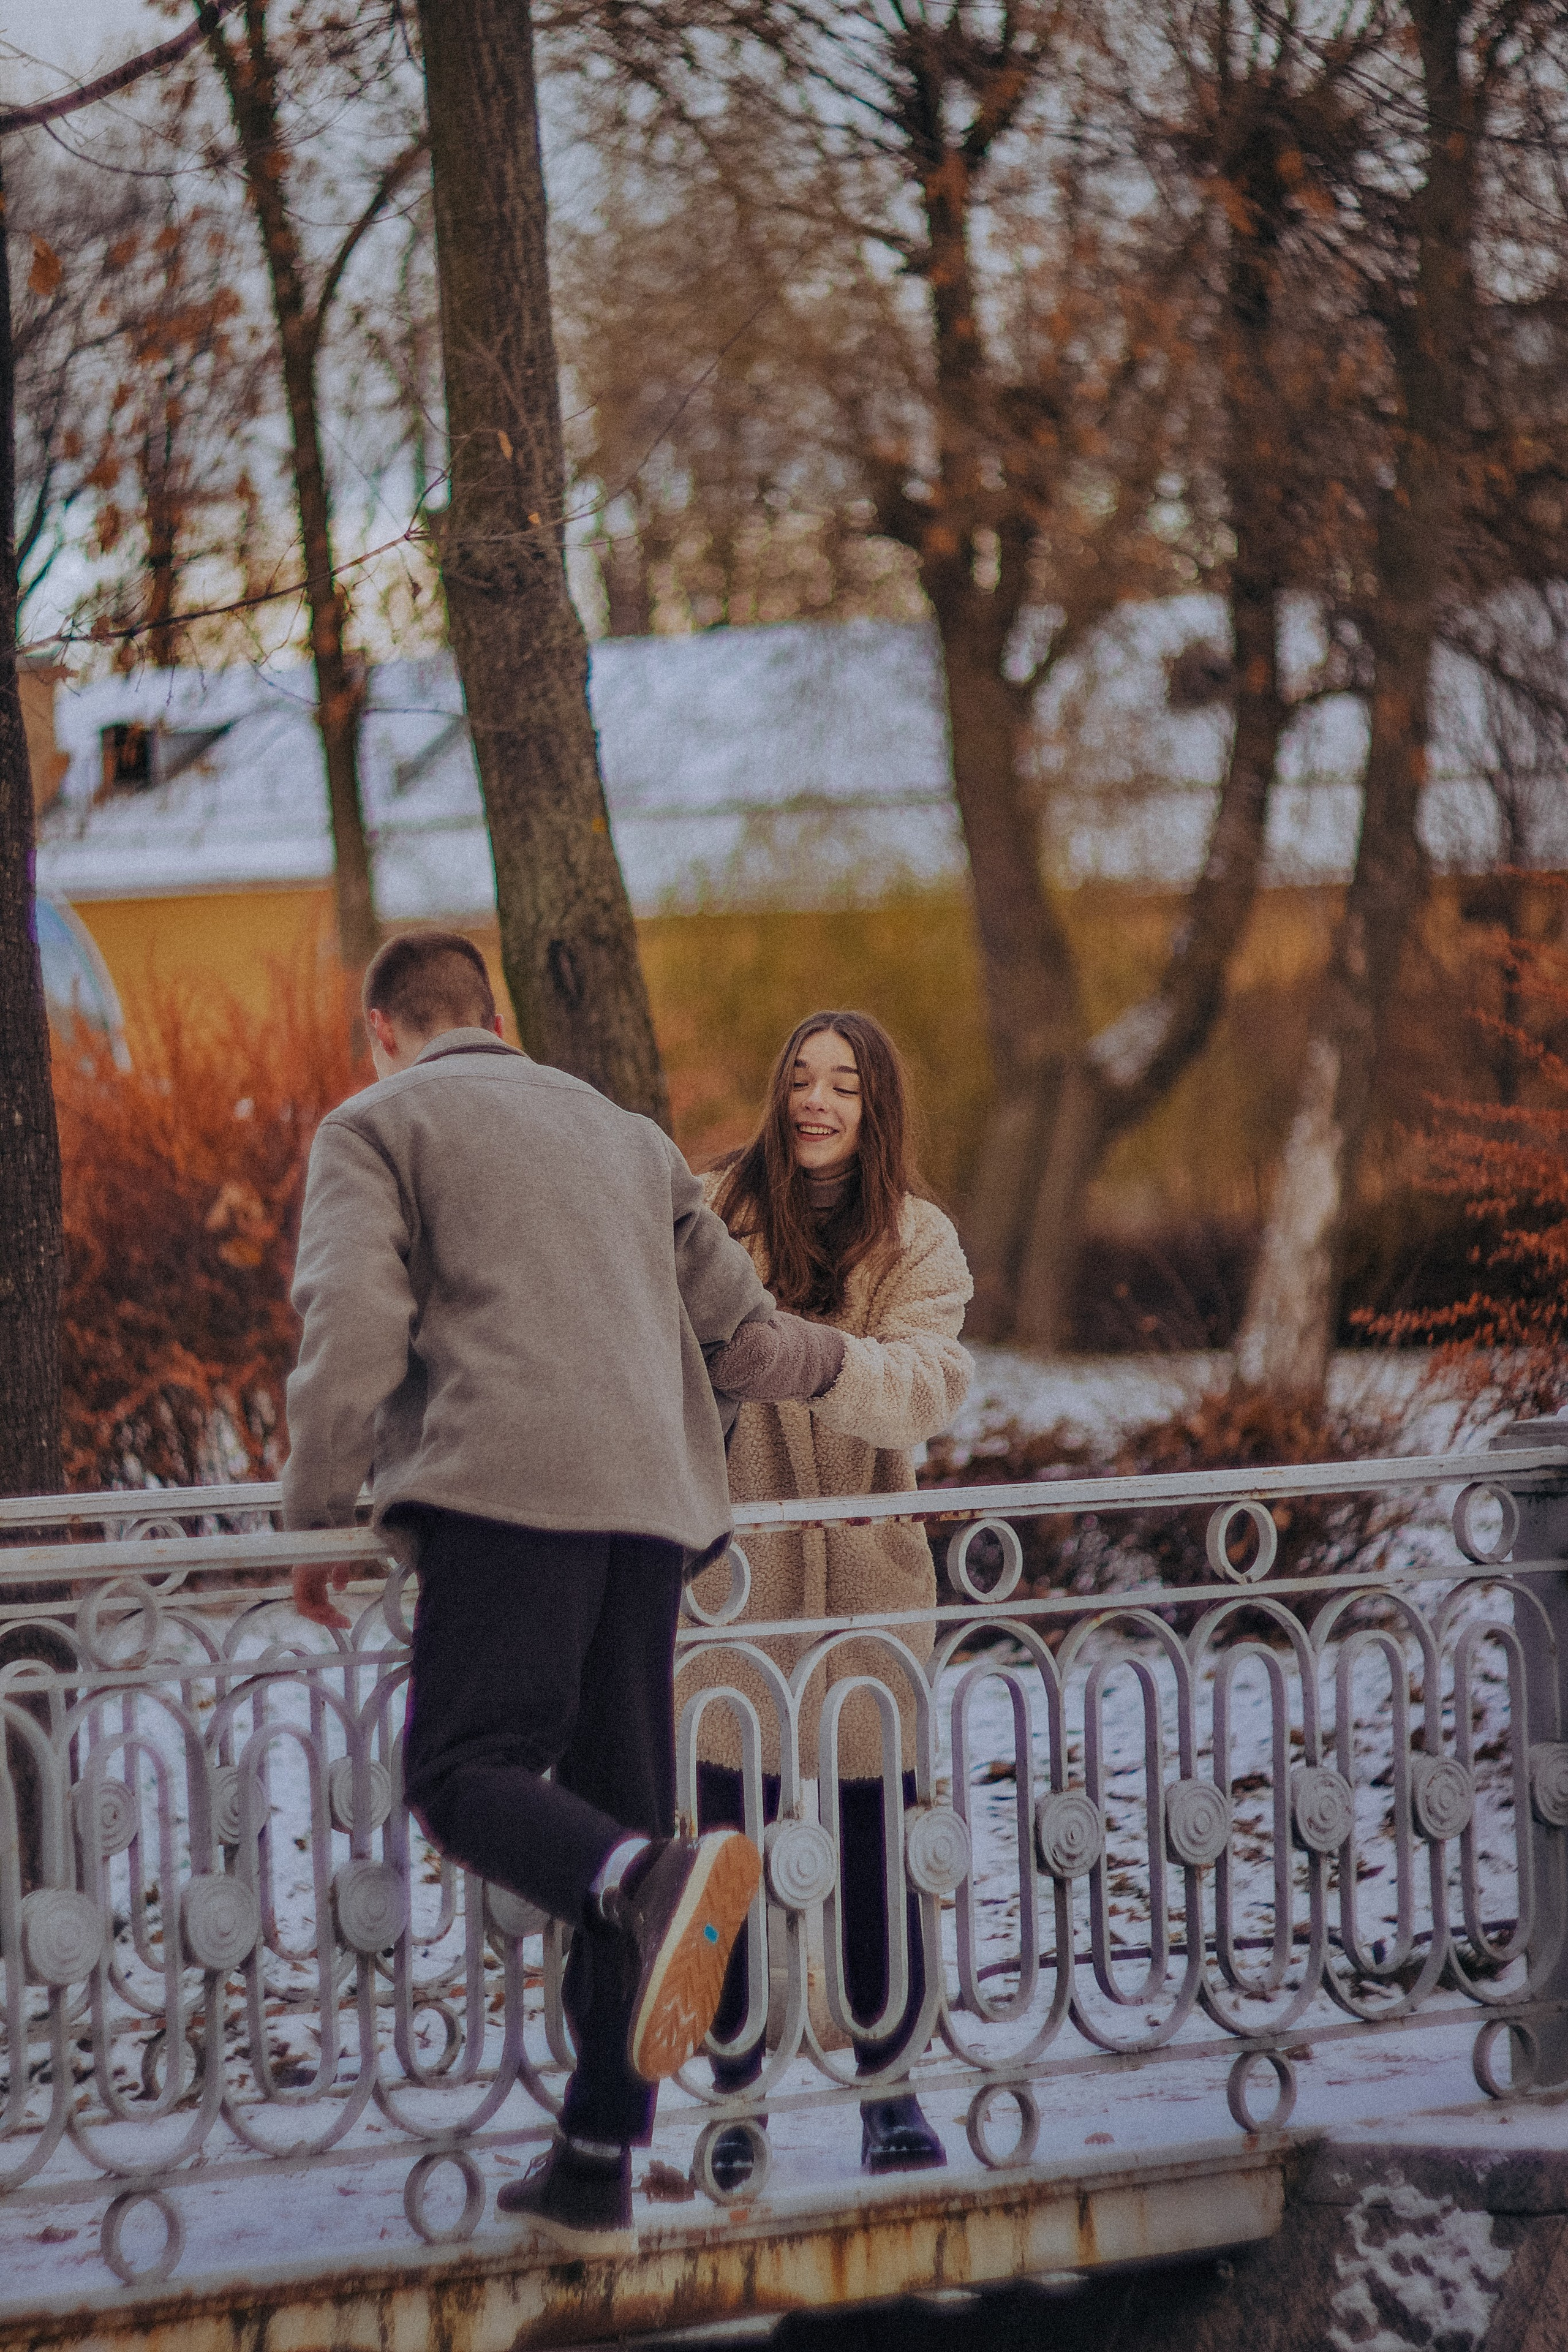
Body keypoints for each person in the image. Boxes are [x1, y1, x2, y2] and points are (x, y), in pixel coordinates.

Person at [282, 931, 846, 2256]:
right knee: (610, 1811)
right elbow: (748, 1340)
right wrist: (852, 1362)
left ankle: (646, 1877)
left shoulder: (374, 1124)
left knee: (468, 1772)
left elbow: (350, 1328)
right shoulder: (627, 1135)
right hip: (652, 1506)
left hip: (505, 1492)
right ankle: (596, 2165)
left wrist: (315, 1511)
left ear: (383, 1027)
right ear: (497, 1014)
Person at [685, 1010, 973, 2184]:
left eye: (843, 1085)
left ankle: (889, 2087)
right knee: (728, 1843)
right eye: (799, 1076)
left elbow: (925, 1385)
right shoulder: (710, 1214)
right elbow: (665, 1360)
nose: (815, 1100)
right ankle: (736, 2093)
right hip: (732, 1579)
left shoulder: (920, 1238)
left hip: (864, 1577)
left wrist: (815, 1361)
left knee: (875, 1838)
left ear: (875, 1106)